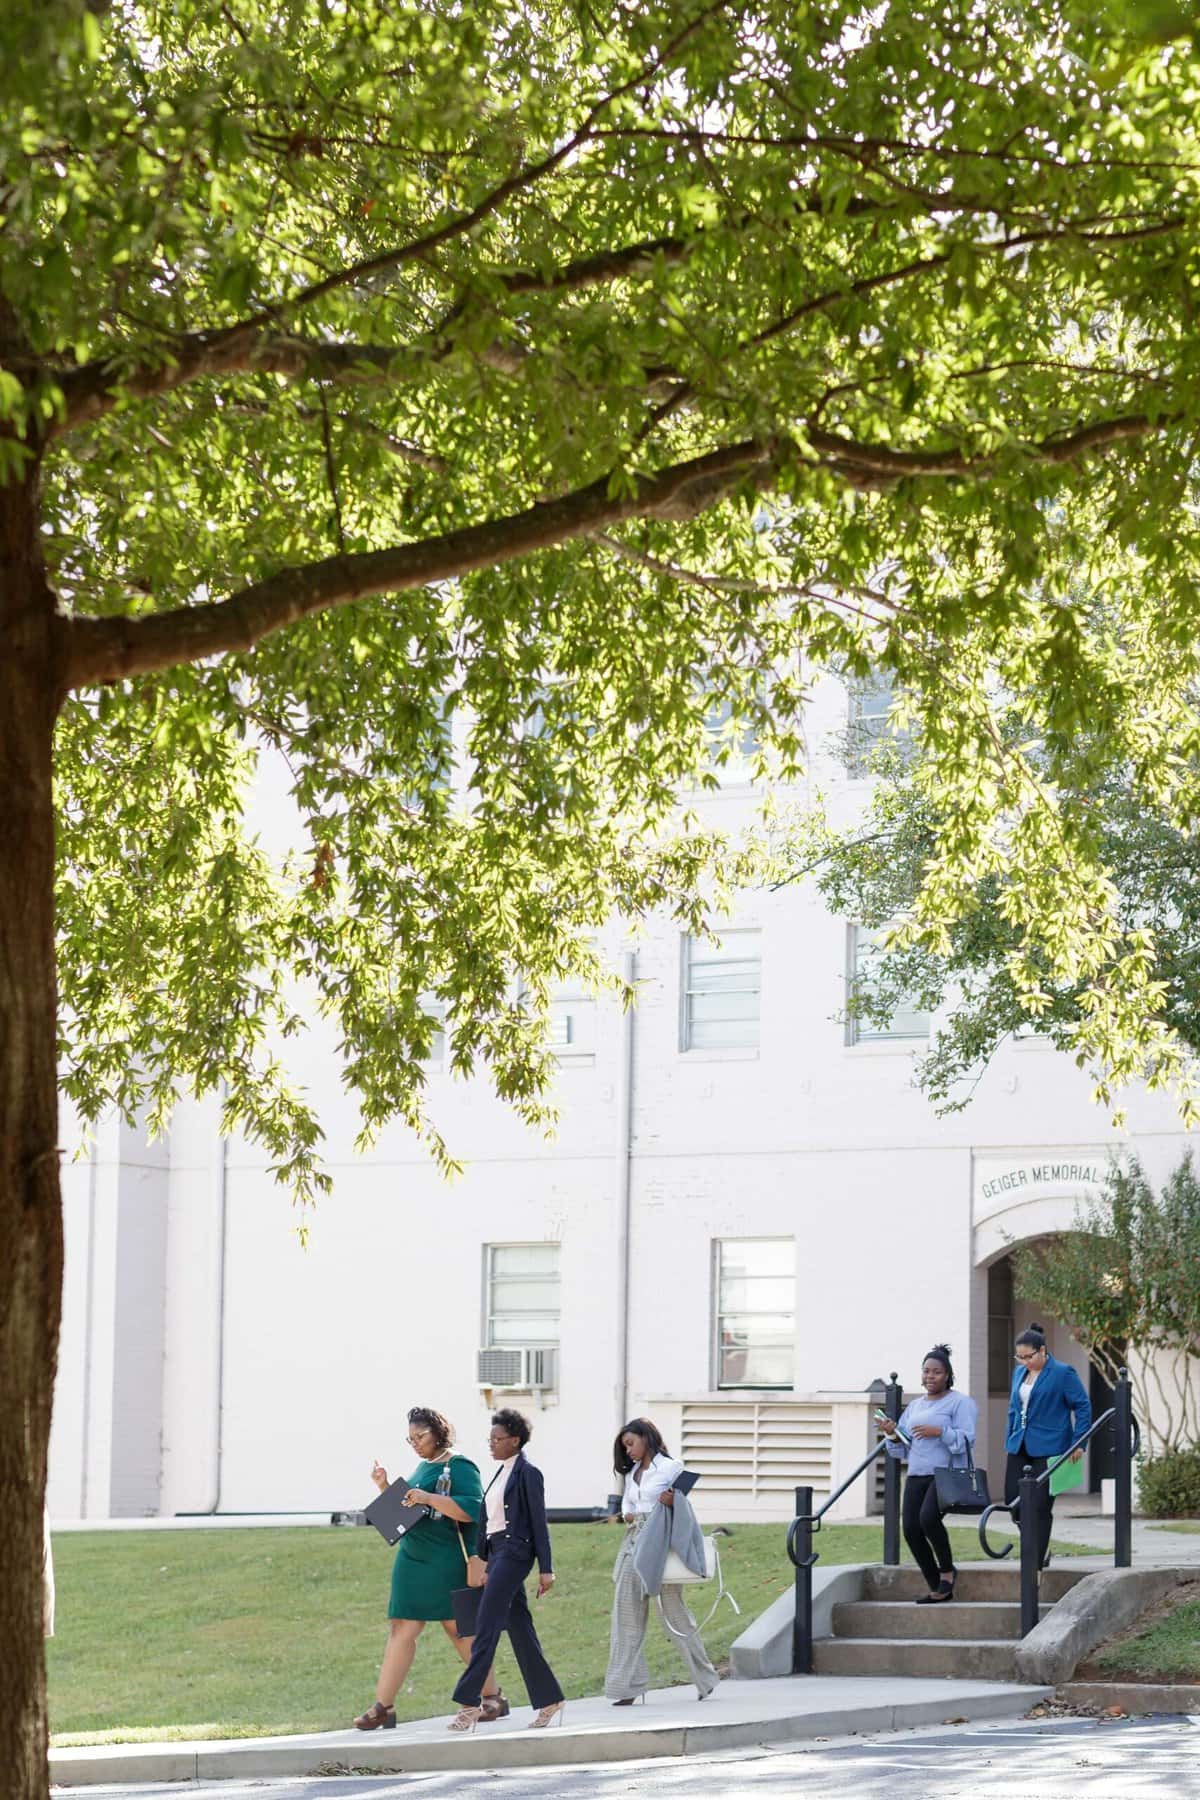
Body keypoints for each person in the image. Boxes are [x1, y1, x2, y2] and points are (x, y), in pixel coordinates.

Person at [354, 1406, 504, 1730]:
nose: (416, 1444)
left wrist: (428, 1498)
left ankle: (493, 1696)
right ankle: (384, 1707)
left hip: (445, 1559)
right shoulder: (423, 1467)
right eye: (410, 1440)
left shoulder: (459, 1465)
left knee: (458, 1630)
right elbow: (407, 1512)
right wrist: (384, 1487)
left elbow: (471, 1510)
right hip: (411, 1559)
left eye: (420, 1436)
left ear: (438, 1432)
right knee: (401, 1629)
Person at [447, 1408, 565, 1732]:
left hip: (516, 1553)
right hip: (497, 1555)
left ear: (515, 1440)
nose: (492, 1444)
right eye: (490, 1439)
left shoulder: (529, 1473)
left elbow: (539, 1523)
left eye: (498, 1439)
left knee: (485, 1624)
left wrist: (547, 1568)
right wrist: (483, 1562)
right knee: (520, 1628)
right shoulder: (500, 1473)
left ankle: (470, 1703)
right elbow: (489, 1522)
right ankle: (550, 1698)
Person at [605, 1417, 719, 1704]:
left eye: (631, 1443)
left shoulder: (671, 1467)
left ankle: (705, 1678)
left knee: (674, 1614)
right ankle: (627, 1688)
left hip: (662, 1542)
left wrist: (672, 1500)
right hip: (635, 1540)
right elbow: (626, 1505)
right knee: (626, 1614)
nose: (628, 1450)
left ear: (647, 1438)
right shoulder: (632, 1473)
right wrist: (628, 1513)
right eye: (625, 1446)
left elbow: (682, 1502)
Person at [878, 1344, 978, 1604]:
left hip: (944, 1473)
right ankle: (938, 1585)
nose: (930, 1376)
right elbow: (902, 1448)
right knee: (910, 1528)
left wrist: (940, 1432)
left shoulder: (960, 1403)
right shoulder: (914, 1407)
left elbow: (968, 1438)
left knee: (928, 1518)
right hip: (916, 1472)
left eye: (936, 1372)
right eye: (926, 1371)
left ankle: (947, 1571)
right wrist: (891, 1432)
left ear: (947, 1375)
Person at [1005, 1323, 1092, 1571]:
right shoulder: (1018, 1374)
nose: (1024, 1362)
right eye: (1019, 1357)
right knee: (1014, 1504)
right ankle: (1037, 1546)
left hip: (1051, 1447)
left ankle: (1035, 1562)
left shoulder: (1063, 1373)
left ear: (1042, 1350)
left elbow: (1083, 1407)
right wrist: (1010, 1435)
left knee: (1041, 1506)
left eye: (1028, 1356)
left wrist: (1079, 1442)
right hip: (1019, 1445)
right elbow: (1014, 1408)